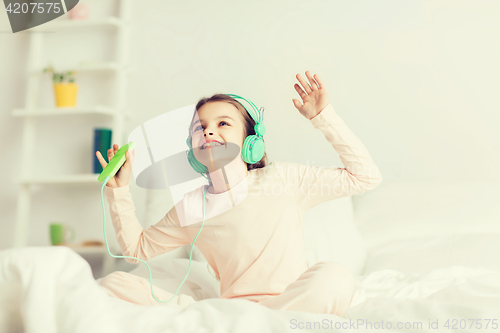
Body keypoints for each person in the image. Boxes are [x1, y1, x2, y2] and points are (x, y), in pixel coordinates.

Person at [95, 71, 382, 317]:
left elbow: (365, 176)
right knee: (113, 284)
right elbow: (137, 251)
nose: (208, 132)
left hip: (291, 303)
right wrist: (118, 190)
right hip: (231, 312)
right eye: (200, 127)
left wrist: (323, 117)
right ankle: (228, 320)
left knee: (334, 277)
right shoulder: (192, 205)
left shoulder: (283, 178)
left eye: (223, 124)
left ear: (250, 140)